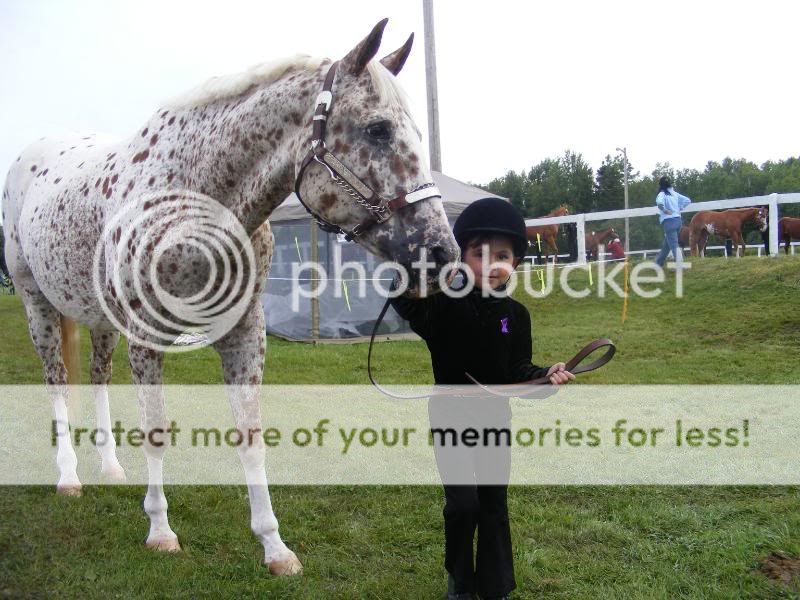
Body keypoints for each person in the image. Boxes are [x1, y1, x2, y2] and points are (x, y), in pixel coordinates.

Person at [390, 197, 574, 600]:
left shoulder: (518, 315)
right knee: (463, 505)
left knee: (493, 503)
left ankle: (495, 585)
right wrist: (422, 254)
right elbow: (404, 296)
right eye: (480, 253)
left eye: (503, 255)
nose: (493, 263)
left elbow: (517, 371)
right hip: (450, 417)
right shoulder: (439, 305)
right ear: (462, 257)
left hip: (495, 419)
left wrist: (546, 376)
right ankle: (459, 579)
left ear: (515, 263)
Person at [654, 176, 691, 267]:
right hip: (678, 221)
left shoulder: (662, 194)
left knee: (674, 244)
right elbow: (687, 200)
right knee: (667, 245)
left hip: (668, 222)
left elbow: (659, 203)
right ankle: (658, 263)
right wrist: (680, 207)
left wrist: (665, 210)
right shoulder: (674, 193)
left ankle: (680, 264)